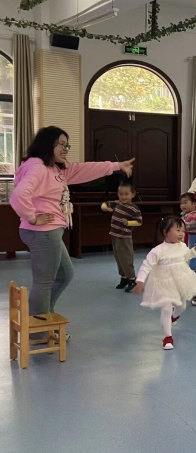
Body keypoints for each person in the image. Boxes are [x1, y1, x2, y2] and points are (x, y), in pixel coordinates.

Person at [10, 126, 134, 328]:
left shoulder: (54, 168)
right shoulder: (38, 167)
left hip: (50, 232)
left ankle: (45, 317)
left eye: (67, 145)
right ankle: (39, 330)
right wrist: (33, 218)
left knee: (65, 275)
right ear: (47, 144)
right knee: (44, 281)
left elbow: (83, 169)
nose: (65, 149)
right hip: (42, 232)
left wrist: (116, 166)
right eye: (62, 144)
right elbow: (18, 195)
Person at [133, 216, 196, 350]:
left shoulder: (182, 246)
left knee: (181, 306)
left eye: (183, 231)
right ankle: (168, 337)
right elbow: (146, 265)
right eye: (178, 230)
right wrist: (140, 281)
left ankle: (174, 317)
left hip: (180, 280)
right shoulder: (158, 250)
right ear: (166, 232)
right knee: (166, 308)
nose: (181, 234)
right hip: (163, 282)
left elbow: (187, 256)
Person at [101, 182, 142, 292]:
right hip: (114, 235)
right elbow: (104, 204)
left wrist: (128, 223)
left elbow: (139, 222)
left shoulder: (134, 208)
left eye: (126, 194)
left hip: (124, 237)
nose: (123, 197)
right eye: (121, 194)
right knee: (118, 258)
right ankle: (124, 277)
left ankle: (132, 279)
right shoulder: (117, 203)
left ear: (133, 194)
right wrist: (106, 208)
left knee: (126, 258)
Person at [179, 193, 196, 271]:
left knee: (192, 253)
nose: (183, 205)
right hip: (185, 237)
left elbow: (187, 226)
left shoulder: (195, 215)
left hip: (192, 237)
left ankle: (193, 269)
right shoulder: (185, 214)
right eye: (181, 203)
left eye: (185, 202)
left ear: (194, 203)